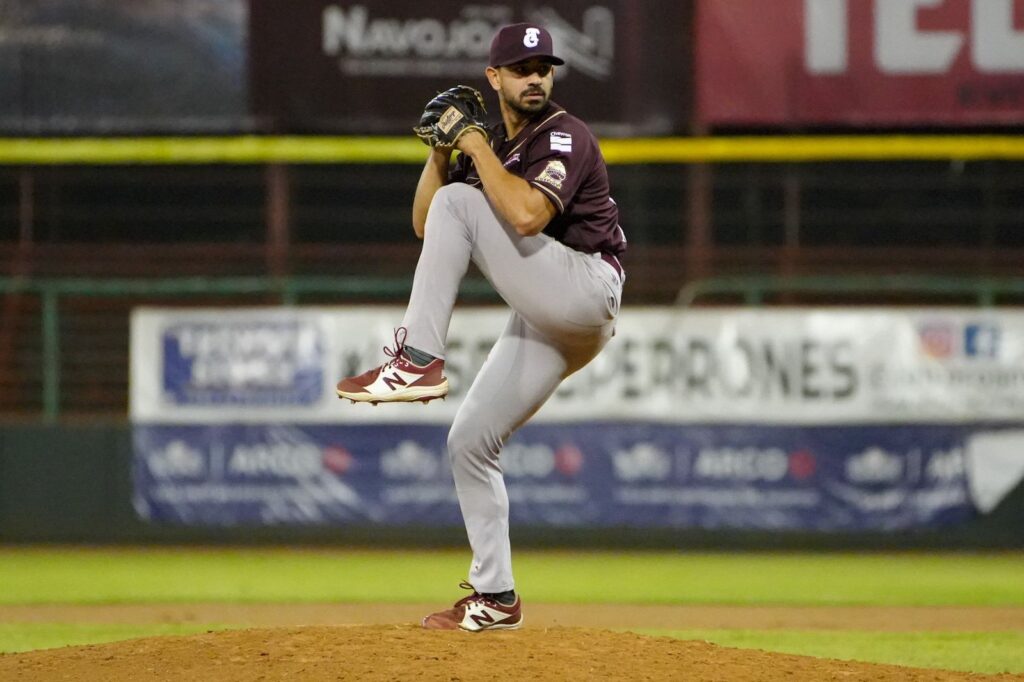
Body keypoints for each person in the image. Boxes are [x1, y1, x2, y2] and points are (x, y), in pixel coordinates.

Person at [336, 22, 626, 631]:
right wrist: (442, 151)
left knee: (463, 203)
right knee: (469, 441)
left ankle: (415, 358)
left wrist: (474, 145)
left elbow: (524, 215)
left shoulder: (565, 135)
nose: (536, 78)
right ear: (494, 77)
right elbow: (425, 223)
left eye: (544, 67)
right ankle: (496, 598)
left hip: (586, 288)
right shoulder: (491, 146)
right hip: (547, 315)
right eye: (522, 69)